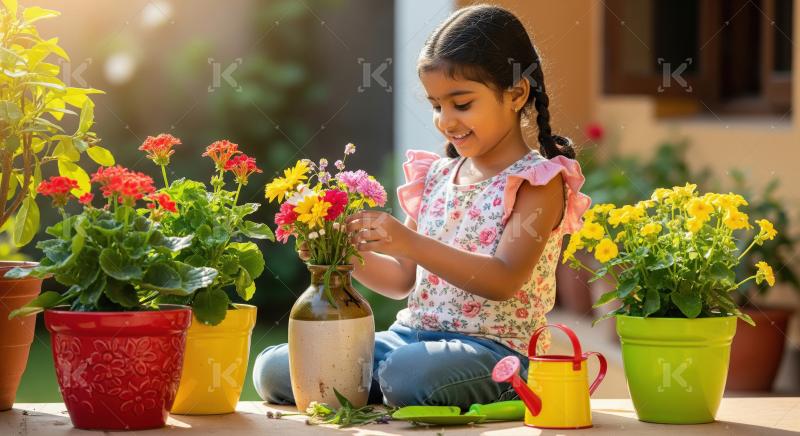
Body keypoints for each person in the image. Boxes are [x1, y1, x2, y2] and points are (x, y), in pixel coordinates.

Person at [253, 4, 591, 410]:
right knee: (274, 368)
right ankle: (379, 382)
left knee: (407, 374)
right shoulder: (434, 176)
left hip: (496, 351)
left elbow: (503, 280)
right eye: (435, 105)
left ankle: (379, 383)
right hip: (411, 339)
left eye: (462, 104)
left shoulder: (538, 182)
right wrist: (344, 255)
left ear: (517, 93)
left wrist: (408, 241)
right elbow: (401, 281)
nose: (445, 121)